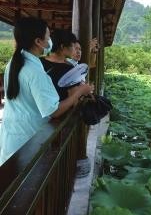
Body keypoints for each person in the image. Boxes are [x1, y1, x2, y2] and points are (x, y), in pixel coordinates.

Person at [0, 17, 93, 166]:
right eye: (48, 36)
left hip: (12, 136)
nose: (50, 41)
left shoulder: (15, 62)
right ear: (38, 41)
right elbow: (54, 111)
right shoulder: (34, 71)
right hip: (28, 141)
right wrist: (80, 91)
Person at [40, 29, 79, 100]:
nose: (74, 50)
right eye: (73, 46)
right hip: (61, 109)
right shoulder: (70, 69)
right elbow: (73, 99)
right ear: (62, 47)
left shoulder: (38, 61)